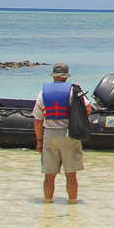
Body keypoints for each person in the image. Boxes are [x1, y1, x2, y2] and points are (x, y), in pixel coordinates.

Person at [32, 63, 92, 204]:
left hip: (50, 135)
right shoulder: (73, 91)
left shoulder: (43, 93)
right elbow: (88, 108)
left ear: (54, 76)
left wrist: (39, 141)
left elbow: (38, 120)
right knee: (71, 174)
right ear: (66, 76)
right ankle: (72, 204)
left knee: (49, 175)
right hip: (69, 135)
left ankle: (47, 203)